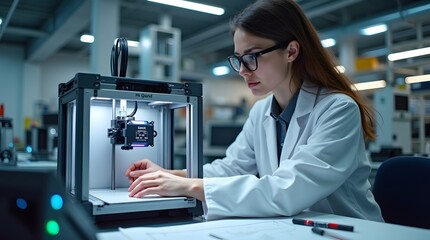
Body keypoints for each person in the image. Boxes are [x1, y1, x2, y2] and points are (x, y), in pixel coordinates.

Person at [125, 0, 384, 222]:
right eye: (238, 58)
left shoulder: (338, 109)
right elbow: (230, 169)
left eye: (252, 56)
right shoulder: (261, 112)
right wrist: (168, 175)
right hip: (293, 227)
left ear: (291, 51)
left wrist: (189, 186)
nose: (242, 70)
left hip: (352, 230)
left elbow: (288, 189)